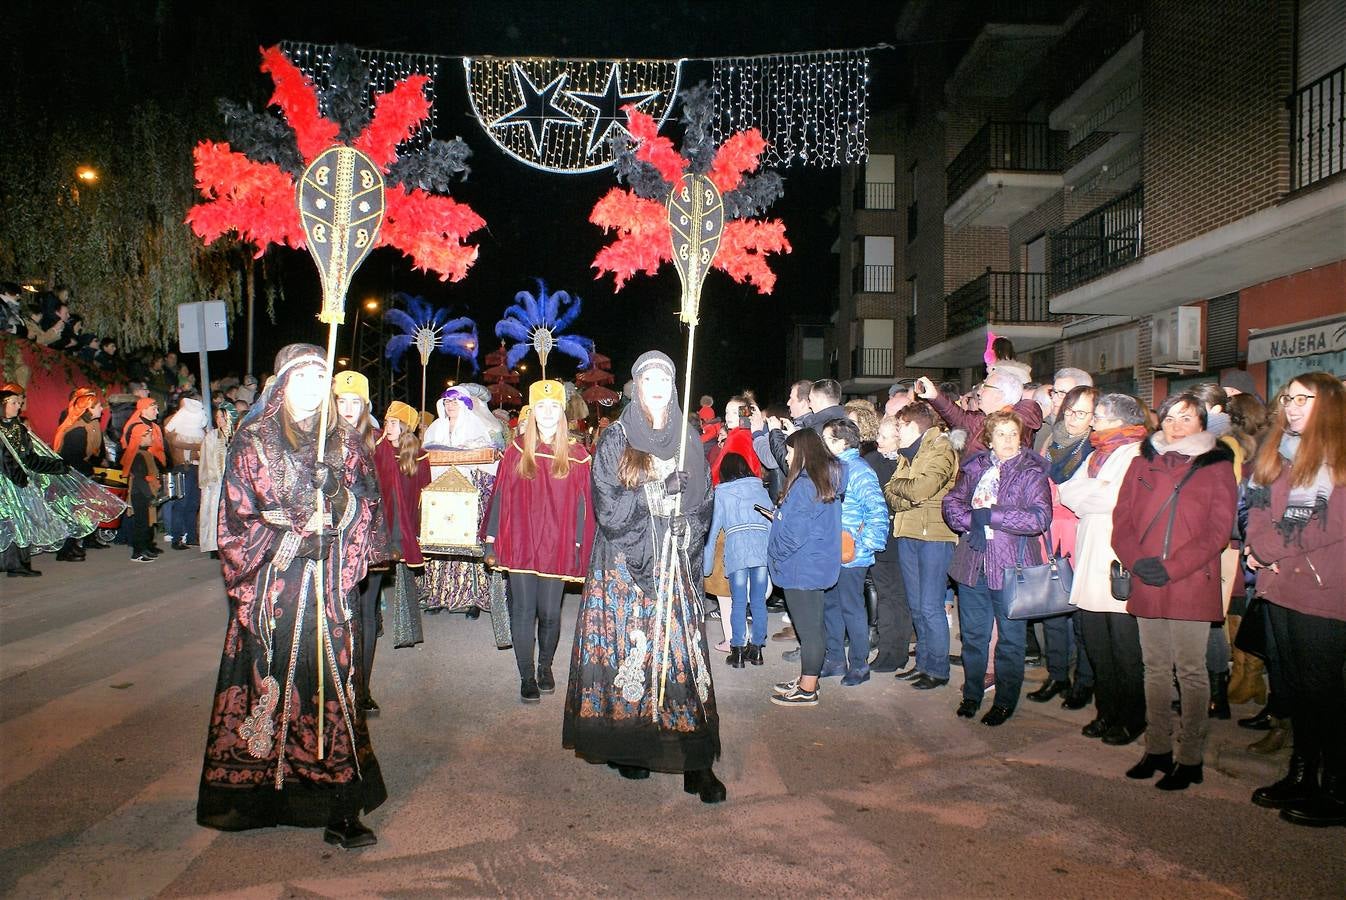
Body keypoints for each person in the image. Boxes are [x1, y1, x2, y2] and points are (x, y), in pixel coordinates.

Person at [196, 343, 386, 850]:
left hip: (327, 590)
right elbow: (234, 522)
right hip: (274, 591)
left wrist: (342, 503)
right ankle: (261, 795)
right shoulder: (253, 442)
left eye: (321, 379)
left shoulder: (344, 443)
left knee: (332, 688)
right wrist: (296, 539)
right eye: (302, 377)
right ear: (282, 384)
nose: (312, 388)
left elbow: (370, 508)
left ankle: (340, 807)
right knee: (271, 686)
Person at [562, 350, 724, 803]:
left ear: (674, 386)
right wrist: (656, 492)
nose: (657, 384)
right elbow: (607, 504)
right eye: (649, 377)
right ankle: (632, 748)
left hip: (675, 559)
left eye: (664, 378)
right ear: (637, 385)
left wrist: (687, 523)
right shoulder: (616, 436)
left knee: (681, 657)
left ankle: (695, 761)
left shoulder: (687, 437)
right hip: (625, 567)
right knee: (630, 655)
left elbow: (704, 499)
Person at [1114, 392, 1237, 791]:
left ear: (1202, 423)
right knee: (1154, 668)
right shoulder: (1140, 462)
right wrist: (1136, 561)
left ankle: (1190, 756)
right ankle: (1157, 748)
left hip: (1189, 580)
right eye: (1169, 417)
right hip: (1148, 577)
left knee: (1191, 671)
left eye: (1186, 418)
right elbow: (1123, 522)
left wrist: (1171, 568)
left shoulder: (1216, 468)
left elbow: (1217, 533)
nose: (1175, 424)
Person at [1245, 373, 1346, 827]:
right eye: (1289, 397)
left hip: (1322, 591)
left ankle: (1337, 790)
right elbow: (1258, 509)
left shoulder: (1340, 457)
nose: (1293, 405)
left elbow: (1331, 523)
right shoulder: (1280, 453)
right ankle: (1302, 774)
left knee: (1325, 695)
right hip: (1279, 588)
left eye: (1305, 398)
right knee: (1295, 691)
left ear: (1329, 405)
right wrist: (1259, 546)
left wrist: (1269, 549)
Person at [485, 380, 595, 702]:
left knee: (549, 612)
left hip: (557, 544)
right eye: (541, 407)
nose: (547, 414)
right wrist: (491, 541)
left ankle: (545, 665)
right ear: (532, 413)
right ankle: (527, 675)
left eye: (554, 407)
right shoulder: (516, 450)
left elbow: (583, 507)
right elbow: (500, 496)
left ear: (562, 413)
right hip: (521, 541)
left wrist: (579, 546)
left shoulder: (577, 456)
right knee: (523, 609)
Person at [942, 410, 1052, 726]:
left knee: (1010, 640)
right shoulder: (975, 467)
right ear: (989, 438)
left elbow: (1039, 518)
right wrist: (970, 519)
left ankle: (1004, 701)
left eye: (1012, 433)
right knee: (974, 637)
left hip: (1010, 566)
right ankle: (972, 695)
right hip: (973, 562)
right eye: (1000, 433)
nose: (1006, 439)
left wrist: (991, 515)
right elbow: (951, 504)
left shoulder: (1031, 471)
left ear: (1021, 438)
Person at [1059, 393, 1150, 745]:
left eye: (1098, 414)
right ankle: (1106, 711)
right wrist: (1092, 492)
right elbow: (1068, 493)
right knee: (1098, 647)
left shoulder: (1138, 452)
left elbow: (1116, 499)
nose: (1092, 420)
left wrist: (1090, 494)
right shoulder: (1098, 453)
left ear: (1119, 420)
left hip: (1118, 562)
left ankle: (1132, 717)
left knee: (1125, 650)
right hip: (1090, 556)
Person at [1027, 384, 1099, 706]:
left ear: (1094, 417)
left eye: (1081, 413)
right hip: (1049, 531)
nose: (1073, 418)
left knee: (1083, 615)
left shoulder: (1094, 448)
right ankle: (1056, 675)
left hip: (1079, 533)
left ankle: (1084, 680)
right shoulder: (1049, 441)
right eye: (1070, 410)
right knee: (1052, 609)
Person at [885, 400, 960, 687]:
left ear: (914, 426)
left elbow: (920, 489)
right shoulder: (909, 453)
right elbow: (891, 493)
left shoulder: (941, 448)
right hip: (909, 531)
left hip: (934, 536)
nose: (897, 433)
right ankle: (924, 663)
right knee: (917, 606)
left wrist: (900, 488)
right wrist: (901, 490)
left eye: (900, 427)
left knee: (930, 606)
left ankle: (938, 670)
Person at [768, 428, 843, 707]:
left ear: (801, 452)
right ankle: (807, 679)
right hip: (813, 565)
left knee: (809, 630)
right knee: (812, 627)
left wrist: (774, 552)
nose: (786, 457)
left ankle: (807, 689)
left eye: (789, 451)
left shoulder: (804, 485)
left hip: (802, 568)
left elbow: (795, 534)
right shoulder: (820, 482)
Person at [422, 386, 506, 618]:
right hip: (441, 495)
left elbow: (488, 463)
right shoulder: (436, 428)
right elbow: (425, 461)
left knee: (467, 546)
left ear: (465, 405)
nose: (450, 406)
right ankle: (439, 595)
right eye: (447, 402)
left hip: (466, 494)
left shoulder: (476, 428)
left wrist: (466, 460)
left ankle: (473, 599)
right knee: (439, 546)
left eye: (455, 402)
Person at [334, 371, 389, 713]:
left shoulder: (380, 443)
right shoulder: (319, 440)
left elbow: (391, 494)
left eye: (356, 402)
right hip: (330, 543)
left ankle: (362, 687)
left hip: (370, 541)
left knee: (366, 614)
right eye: (342, 401)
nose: (350, 409)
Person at [819, 417, 889, 686]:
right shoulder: (832, 467)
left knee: (852, 608)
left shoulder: (859, 471)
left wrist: (864, 545)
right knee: (831, 606)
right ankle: (835, 658)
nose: (823, 444)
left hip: (852, 553)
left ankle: (859, 664)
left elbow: (877, 511)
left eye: (827, 439)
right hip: (831, 551)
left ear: (841, 442)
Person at [371, 401, 431, 664]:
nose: (388, 427)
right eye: (386, 422)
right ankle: (374, 619)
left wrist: (419, 528)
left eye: (393, 423)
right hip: (382, 520)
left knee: (405, 575)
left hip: (405, 523)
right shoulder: (377, 450)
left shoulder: (419, 456)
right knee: (374, 574)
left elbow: (423, 494)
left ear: (405, 427)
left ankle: (407, 627)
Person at [703, 451, 772, 667]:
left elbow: (714, 531)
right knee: (759, 602)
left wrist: (706, 567)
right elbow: (771, 521)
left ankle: (738, 650)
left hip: (736, 550)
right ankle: (757, 649)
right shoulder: (761, 489)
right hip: (760, 550)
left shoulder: (722, 492)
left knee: (738, 602)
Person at [865, 414, 913, 674]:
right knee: (887, 597)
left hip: (900, 538)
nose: (878, 441)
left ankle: (897, 651)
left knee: (898, 598)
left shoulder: (909, 465)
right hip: (881, 539)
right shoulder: (872, 461)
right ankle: (888, 651)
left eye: (884, 437)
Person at [914, 371, 1044, 461]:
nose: (979, 392)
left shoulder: (1014, 425)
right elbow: (959, 417)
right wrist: (934, 395)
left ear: (999, 394)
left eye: (985, 387)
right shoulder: (983, 419)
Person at [53, 387, 111, 557]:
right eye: (98, 405)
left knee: (82, 510)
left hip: (79, 473)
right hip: (70, 475)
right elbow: (73, 458)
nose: (102, 408)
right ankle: (66, 549)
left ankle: (74, 544)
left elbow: (94, 451)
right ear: (88, 408)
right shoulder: (78, 430)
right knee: (72, 511)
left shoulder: (91, 424)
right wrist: (90, 470)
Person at [163, 393, 207, 550]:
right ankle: (176, 537)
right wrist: (196, 445)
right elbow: (174, 442)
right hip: (182, 466)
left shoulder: (196, 426)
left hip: (195, 467)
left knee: (193, 503)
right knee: (181, 503)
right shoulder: (173, 422)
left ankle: (191, 536)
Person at [198, 403, 239, 558]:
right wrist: (212, 478)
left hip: (233, 482)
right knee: (215, 512)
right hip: (217, 483)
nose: (219, 420)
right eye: (217, 417)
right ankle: (214, 545)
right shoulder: (212, 436)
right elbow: (207, 461)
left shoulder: (236, 435)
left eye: (222, 416)